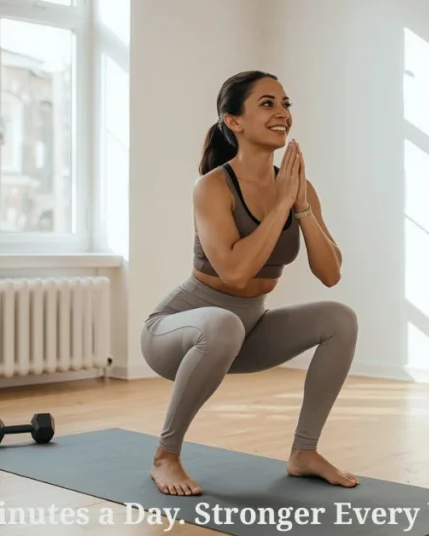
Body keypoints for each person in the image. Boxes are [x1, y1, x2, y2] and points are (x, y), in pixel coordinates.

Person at [141, 70, 360, 496]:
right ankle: (165, 456)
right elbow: (235, 273)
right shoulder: (212, 187)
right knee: (222, 323)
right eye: (267, 103)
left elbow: (330, 274)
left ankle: (305, 452)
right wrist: (280, 204)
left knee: (340, 318)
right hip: (176, 332)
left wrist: (301, 207)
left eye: (285, 104)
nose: (282, 113)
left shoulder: (299, 188)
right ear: (233, 121)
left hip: (245, 332)